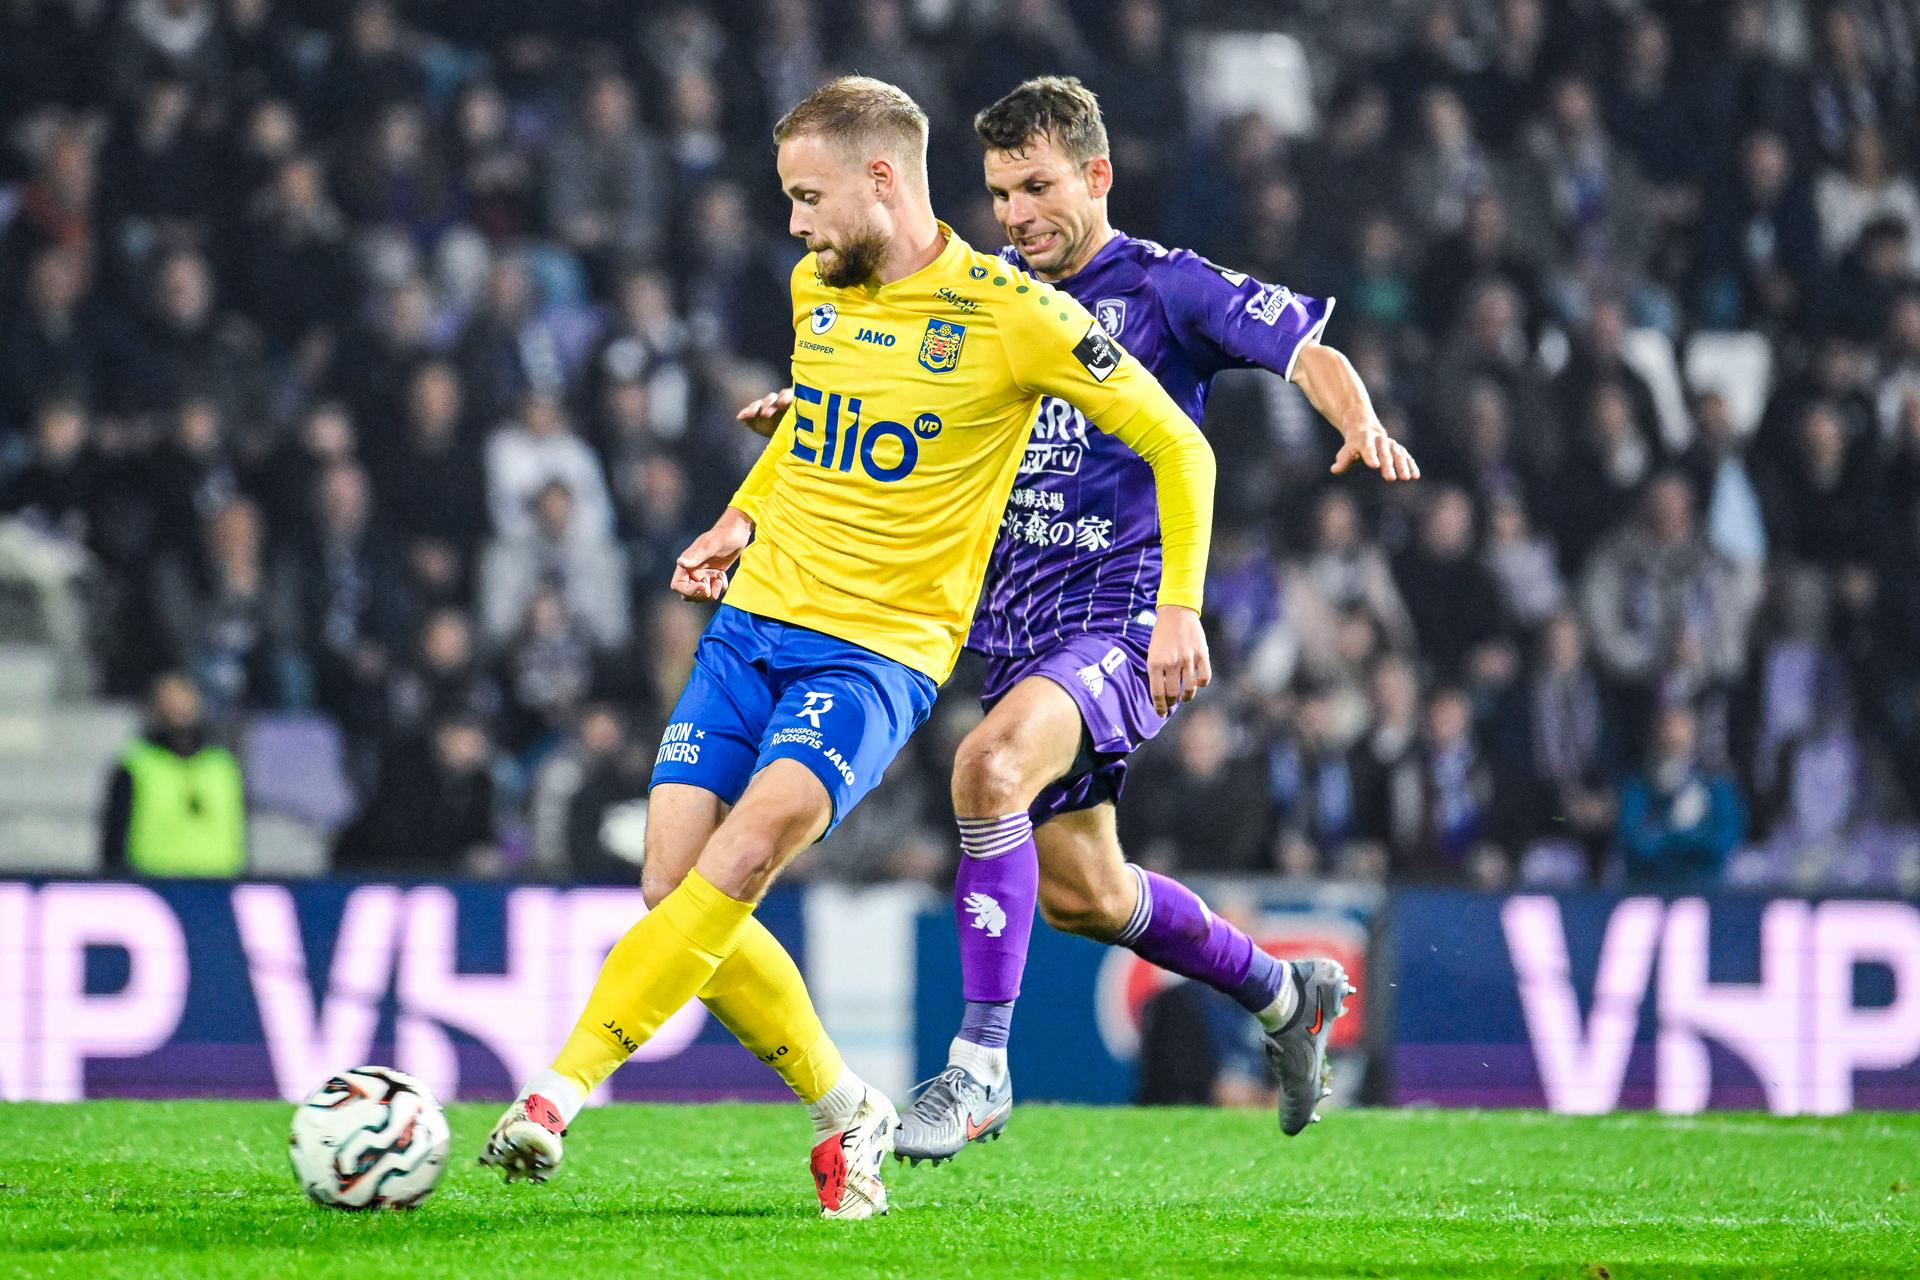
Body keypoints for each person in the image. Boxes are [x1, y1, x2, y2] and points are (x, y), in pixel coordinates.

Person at [480, 76, 1218, 1221]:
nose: (793, 223)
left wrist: (1179, 603)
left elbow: (1182, 448)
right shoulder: (816, 286)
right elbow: (816, 429)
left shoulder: (1010, 311)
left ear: (882, 179)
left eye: (807, 195)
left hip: (874, 656)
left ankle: (553, 1095)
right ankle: (846, 1106)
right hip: (751, 626)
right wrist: (741, 512)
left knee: (745, 855)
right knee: (674, 883)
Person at [742, 76, 1412, 1165]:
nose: (1016, 213)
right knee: (1087, 894)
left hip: (1127, 616)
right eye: (1001, 192)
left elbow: (1307, 350)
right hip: (1012, 623)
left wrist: (1358, 417)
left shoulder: (1166, 289)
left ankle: (979, 1070)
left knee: (988, 769)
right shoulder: (982, 294)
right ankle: (1287, 994)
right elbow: (880, 386)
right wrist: (808, 408)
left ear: (1097, 176)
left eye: (1038, 186)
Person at [100, 672, 246, 877]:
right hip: (153, 888)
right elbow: (113, 840)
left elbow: (239, 832)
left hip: (217, 887)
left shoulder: (223, 765)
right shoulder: (136, 765)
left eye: (183, 704)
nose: (179, 713)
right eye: (170, 705)